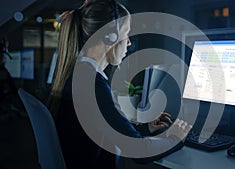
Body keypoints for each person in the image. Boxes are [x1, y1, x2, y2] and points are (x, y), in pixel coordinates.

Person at [48, 0, 192, 169]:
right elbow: (138, 153)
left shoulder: (80, 74)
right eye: (126, 34)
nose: (129, 43)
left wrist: (145, 129)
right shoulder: (92, 84)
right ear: (110, 37)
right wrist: (175, 138)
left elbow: (108, 129)